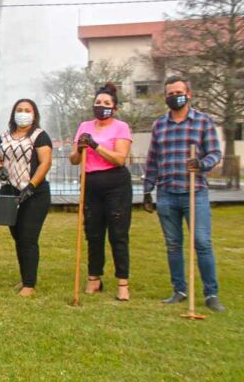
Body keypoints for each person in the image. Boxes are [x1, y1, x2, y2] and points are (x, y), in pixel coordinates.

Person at [143, 76, 225, 313]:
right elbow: (153, 160)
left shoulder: (203, 122)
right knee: (173, 244)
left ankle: (211, 293)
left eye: (178, 92)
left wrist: (201, 163)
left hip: (194, 192)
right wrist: (148, 190)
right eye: (169, 93)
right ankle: (179, 289)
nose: (173, 96)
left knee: (202, 243)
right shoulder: (159, 125)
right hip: (167, 193)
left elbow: (215, 153)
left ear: (188, 94)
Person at [69, 82, 132, 301]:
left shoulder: (121, 127)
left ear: (114, 108)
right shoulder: (84, 126)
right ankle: (94, 278)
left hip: (115, 184)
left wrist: (96, 146)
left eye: (106, 103)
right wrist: (80, 148)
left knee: (118, 234)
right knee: (93, 234)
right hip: (91, 182)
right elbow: (74, 159)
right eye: (97, 103)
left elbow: (119, 158)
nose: (101, 106)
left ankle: (123, 282)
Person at [0, 99, 52, 297]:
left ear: (34, 115)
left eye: (27, 110)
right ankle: (25, 277)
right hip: (10, 193)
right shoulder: (5, 135)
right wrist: (0, 169)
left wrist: (32, 185)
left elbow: (45, 162)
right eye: (19, 110)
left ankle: (30, 285)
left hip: (34, 193)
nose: (23, 113)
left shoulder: (40, 136)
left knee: (28, 237)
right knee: (17, 236)